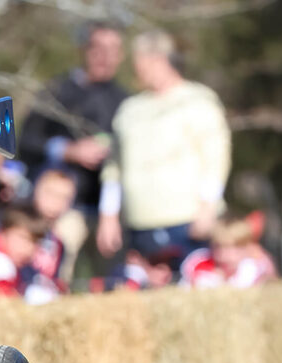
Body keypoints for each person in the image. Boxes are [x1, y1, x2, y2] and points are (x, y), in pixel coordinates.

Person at [96, 30, 232, 266]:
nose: (135, 68)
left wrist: (208, 206)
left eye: (138, 61)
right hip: (140, 223)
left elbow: (215, 158)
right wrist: (108, 216)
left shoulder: (197, 100)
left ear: (158, 59)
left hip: (188, 222)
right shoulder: (130, 109)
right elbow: (114, 168)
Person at [18, 21, 127, 278]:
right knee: (55, 279)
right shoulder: (57, 90)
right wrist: (69, 151)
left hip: (107, 212)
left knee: (111, 284)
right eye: (98, 48)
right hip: (62, 210)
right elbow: (26, 142)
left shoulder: (125, 101)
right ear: (83, 50)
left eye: (113, 49)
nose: (105, 56)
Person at [0, 204, 58, 303]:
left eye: (35, 242)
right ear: (3, 231)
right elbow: (2, 303)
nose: (29, 248)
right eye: (23, 238)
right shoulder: (0, 264)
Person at [180, 214, 277, 289]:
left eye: (234, 248)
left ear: (247, 248)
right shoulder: (198, 265)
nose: (225, 255)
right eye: (219, 247)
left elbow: (272, 284)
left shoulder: (253, 269)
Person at [28, 168, 76, 286]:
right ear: (36, 192)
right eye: (51, 193)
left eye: (65, 197)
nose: (57, 202)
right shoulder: (20, 230)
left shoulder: (58, 243)